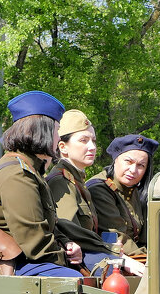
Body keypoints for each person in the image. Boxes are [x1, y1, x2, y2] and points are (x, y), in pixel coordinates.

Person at [0, 91, 83, 276]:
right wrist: (69, 260)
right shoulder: (18, 174)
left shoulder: (27, 169)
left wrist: (66, 244)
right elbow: (35, 242)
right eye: (57, 130)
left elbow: (45, 227)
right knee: (73, 279)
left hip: (9, 258)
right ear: (44, 131)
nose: (59, 138)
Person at [47, 110, 144, 275]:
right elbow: (71, 234)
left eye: (93, 140)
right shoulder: (61, 182)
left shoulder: (77, 181)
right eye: (83, 141)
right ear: (63, 147)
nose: (92, 147)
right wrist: (115, 254)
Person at [88, 134, 157, 257]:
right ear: (115, 160)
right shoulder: (100, 189)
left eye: (141, 165)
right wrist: (152, 258)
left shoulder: (133, 189)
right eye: (128, 162)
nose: (133, 170)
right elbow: (116, 237)